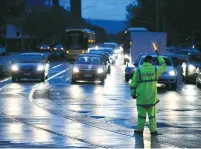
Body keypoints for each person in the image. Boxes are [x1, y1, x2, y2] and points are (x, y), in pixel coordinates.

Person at [130, 55, 166, 135]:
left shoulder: (138, 71)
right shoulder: (155, 70)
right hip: (151, 98)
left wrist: (133, 94)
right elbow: (164, 67)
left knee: (141, 116)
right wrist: (160, 58)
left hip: (141, 98)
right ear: (151, 61)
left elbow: (133, 84)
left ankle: (139, 130)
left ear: (144, 61)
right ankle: (153, 131)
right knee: (152, 116)